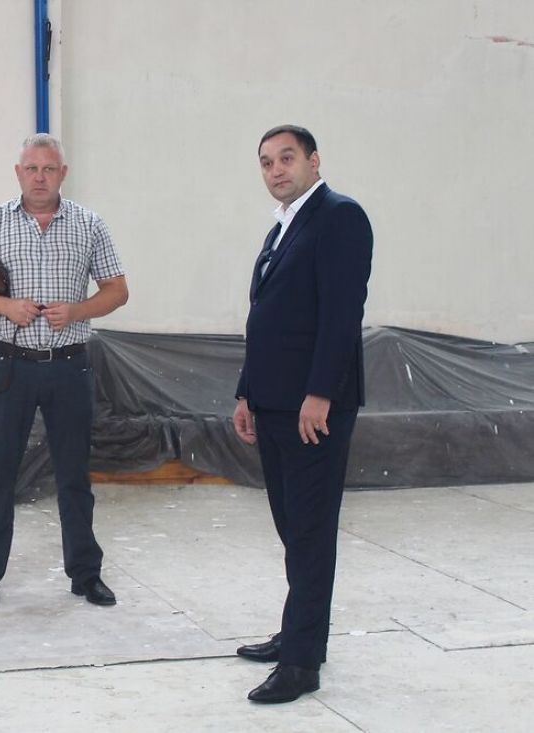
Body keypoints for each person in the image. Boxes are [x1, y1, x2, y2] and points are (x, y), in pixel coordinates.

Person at [0, 133, 128, 609]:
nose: (40, 178)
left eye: (49, 169)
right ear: (18, 173)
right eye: (32, 169)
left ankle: (85, 574)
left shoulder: (89, 224)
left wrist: (79, 310)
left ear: (63, 173)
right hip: (10, 364)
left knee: (74, 474)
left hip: (69, 365)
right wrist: (5, 306)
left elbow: (117, 289)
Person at [232, 125, 373, 703]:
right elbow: (265, 317)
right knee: (293, 528)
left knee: (310, 532)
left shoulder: (340, 217)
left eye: (286, 158)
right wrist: (246, 393)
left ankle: (301, 664)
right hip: (272, 403)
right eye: (266, 162)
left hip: (312, 408)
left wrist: (321, 394)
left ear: (314, 161)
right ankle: (300, 632)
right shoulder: (283, 227)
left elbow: (342, 314)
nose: (276, 170)